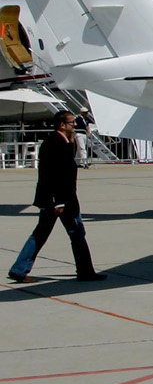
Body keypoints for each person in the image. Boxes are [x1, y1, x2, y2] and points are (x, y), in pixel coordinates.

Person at [8, 111, 104, 283]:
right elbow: (53, 174)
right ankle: (85, 271)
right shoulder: (55, 143)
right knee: (77, 234)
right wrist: (58, 202)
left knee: (41, 233)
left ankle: (19, 269)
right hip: (60, 200)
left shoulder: (63, 141)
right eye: (72, 122)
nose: (74, 125)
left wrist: (72, 142)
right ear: (62, 125)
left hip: (56, 199)